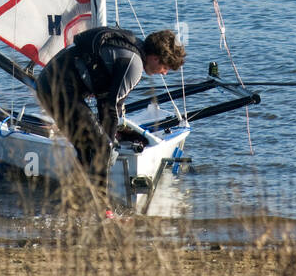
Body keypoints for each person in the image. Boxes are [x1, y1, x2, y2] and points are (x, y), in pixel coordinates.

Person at [35, 26, 186, 192]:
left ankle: (78, 199)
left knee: (87, 148)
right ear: (156, 59)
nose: (164, 74)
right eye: (166, 68)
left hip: (49, 85)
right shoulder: (134, 65)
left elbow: (108, 102)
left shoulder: (134, 50)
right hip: (58, 89)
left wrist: (113, 133)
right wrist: (109, 141)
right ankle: (103, 210)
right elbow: (110, 107)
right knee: (102, 147)